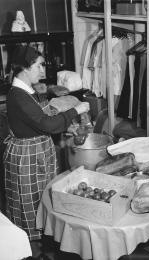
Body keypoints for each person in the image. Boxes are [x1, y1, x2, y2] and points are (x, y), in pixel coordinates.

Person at [3, 45, 89, 258]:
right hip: (27, 158)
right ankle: (32, 251)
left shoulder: (27, 91)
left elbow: (38, 121)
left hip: (37, 152)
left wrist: (65, 125)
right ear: (24, 67)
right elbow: (46, 124)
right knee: (31, 204)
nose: (43, 70)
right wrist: (74, 111)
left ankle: (43, 244)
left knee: (42, 201)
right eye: (39, 65)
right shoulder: (18, 95)